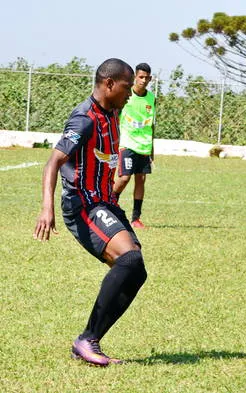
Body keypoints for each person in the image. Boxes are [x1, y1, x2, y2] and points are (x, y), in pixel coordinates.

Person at [33, 58, 147, 367]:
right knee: (130, 259)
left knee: (136, 271)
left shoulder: (113, 111)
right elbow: (53, 162)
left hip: (106, 202)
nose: (131, 93)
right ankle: (87, 339)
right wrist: (47, 207)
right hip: (83, 205)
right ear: (109, 84)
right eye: (126, 86)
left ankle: (89, 339)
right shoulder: (84, 119)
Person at [113, 63, 156, 229]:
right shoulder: (126, 95)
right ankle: (110, 206)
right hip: (127, 144)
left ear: (150, 79)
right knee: (124, 178)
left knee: (141, 180)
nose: (143, 81)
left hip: (144, 146)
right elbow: (116, 117)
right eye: (141, 77)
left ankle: (136, 218)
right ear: (135, 77)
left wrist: (152, 149)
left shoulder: (151, 98)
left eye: (147, 78)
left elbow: (151, 125)